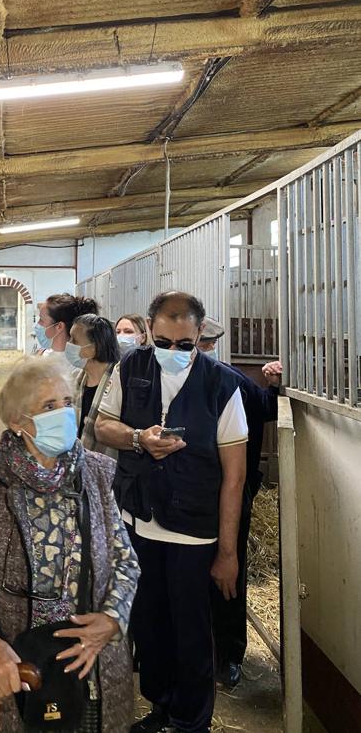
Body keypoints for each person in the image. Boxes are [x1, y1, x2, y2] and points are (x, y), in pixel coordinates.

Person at [0, 357, 140, 732]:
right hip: (18, 664)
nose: (64, 415)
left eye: (66, 403)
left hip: (89, 665)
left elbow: (127, 561)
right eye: (48, 406)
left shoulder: (92, 472)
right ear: (17, 422)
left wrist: (113, 618)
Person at [95, 292, 248, 733]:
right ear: (149, 329)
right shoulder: (131, 367)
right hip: (138, 522)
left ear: (200, 334)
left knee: (192, 633)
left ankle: (190, 720)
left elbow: (234, 477)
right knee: (149, 624)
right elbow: (103, 424)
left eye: (185, 344)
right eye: (164, 341)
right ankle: (160, 705)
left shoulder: (222, 385)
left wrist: (227, 552)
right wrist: (139, 437)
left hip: (193, 533)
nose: (174, 352)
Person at [196, 319, 281, 688]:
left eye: (191, 344)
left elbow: (266, 407)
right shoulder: (163, 382)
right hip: (189, 495)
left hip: (230, 490)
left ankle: (229, 655)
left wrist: (276, 383)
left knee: (228, 572)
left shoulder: (230, 379)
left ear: (208, 344)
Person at [65, 313, 120, 457]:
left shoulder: (119, 383)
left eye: (74, 340)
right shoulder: (75, 379)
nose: (68, 344)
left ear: (94, 348)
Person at [34, 293, 98, 355]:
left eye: (41, 320)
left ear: (59, 326)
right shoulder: (43, 355)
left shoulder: (78, 363)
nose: (38, 324)